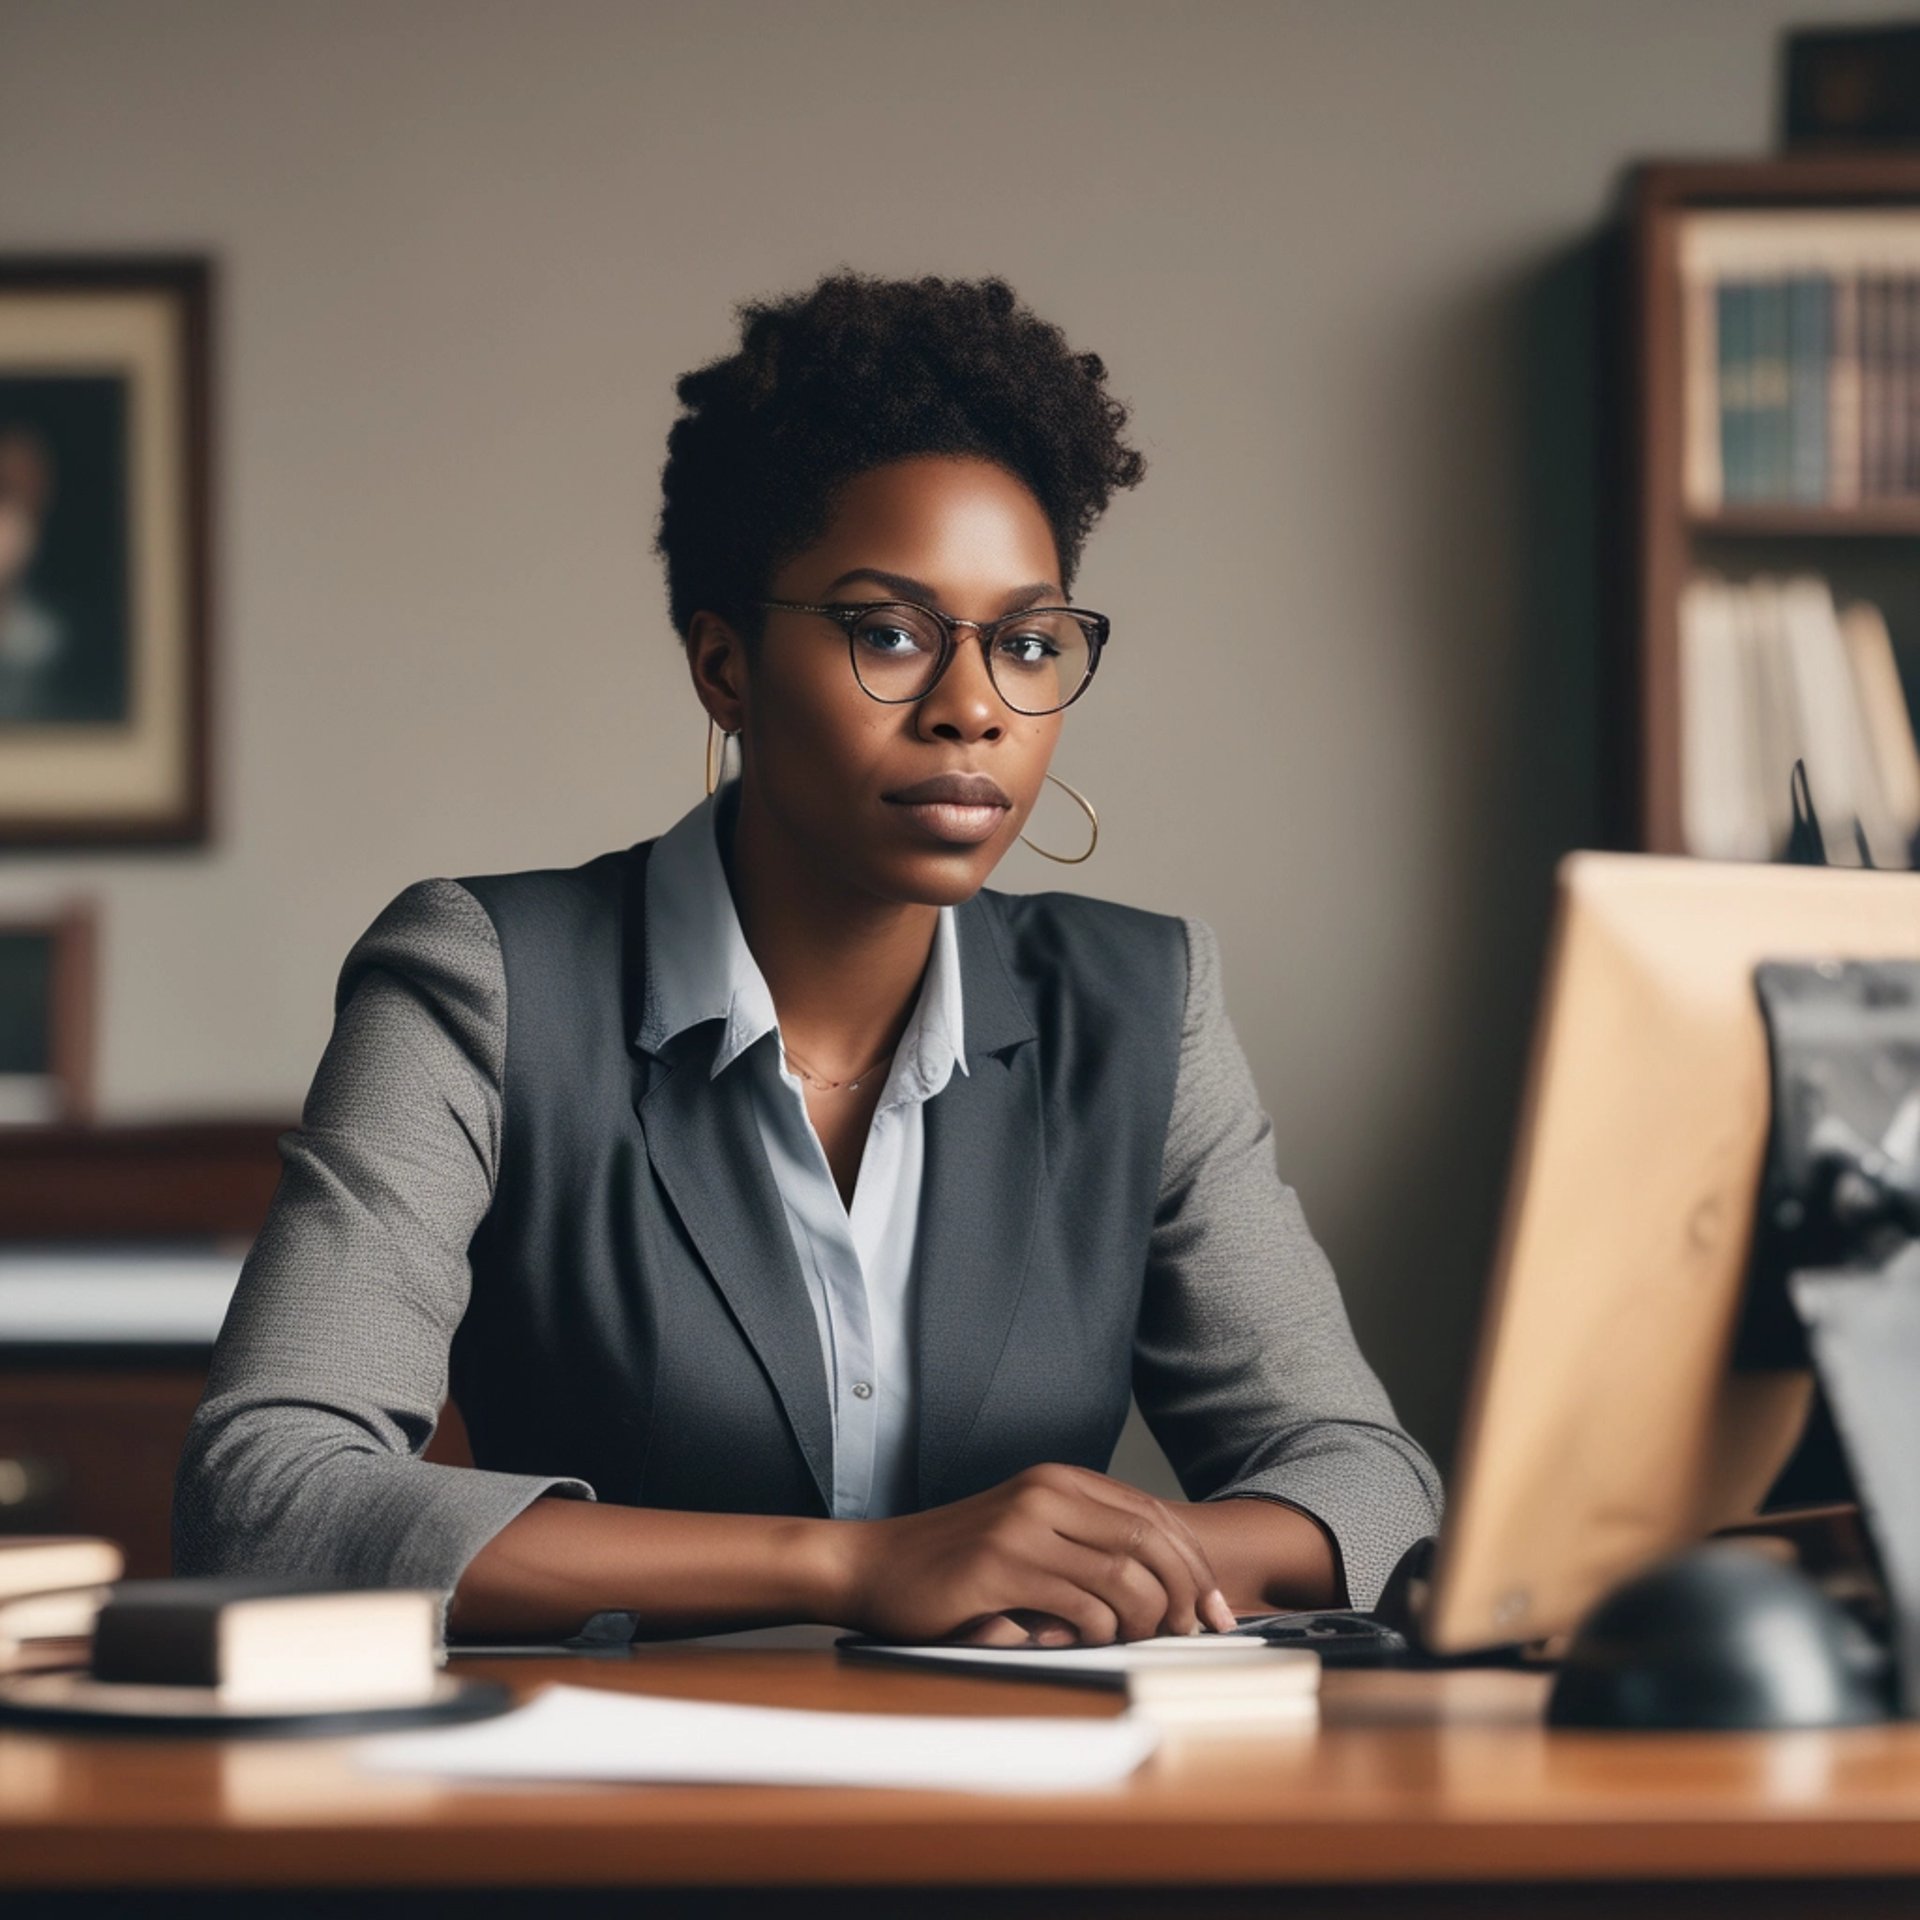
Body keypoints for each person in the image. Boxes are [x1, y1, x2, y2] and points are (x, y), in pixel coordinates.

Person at [174, 270, 1442, 1647]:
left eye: (1028, 642)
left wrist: (1093, 1563)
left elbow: (1370, 1485)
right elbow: (268, 1492)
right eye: (888, 632)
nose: (974, 710)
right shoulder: (482, 982)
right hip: (608, 1811)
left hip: (1029, 1810)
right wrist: (859, 1568)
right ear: (724, 667)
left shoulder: (1142, 1011)